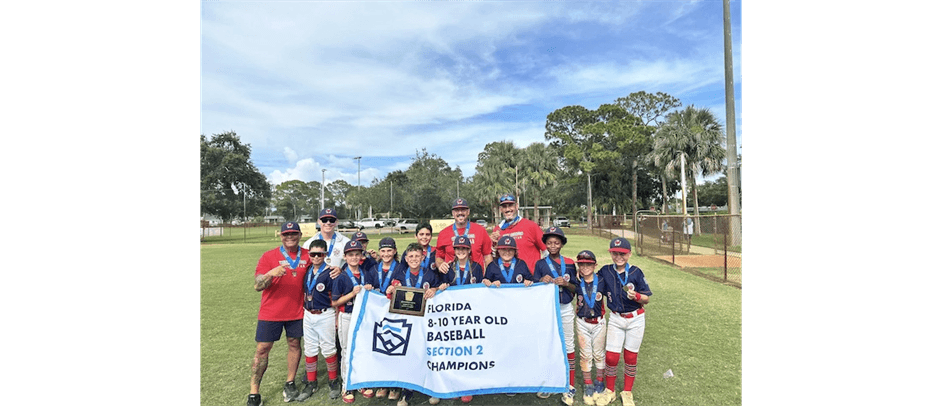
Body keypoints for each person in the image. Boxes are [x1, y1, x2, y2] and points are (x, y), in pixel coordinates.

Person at [246, 222, 309, 406]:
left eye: (294, 233)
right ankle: (254, 392)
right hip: (270, 312)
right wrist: (271, 274)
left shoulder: (307, 255)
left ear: (299, 234)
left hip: (297, 311)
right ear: (280, 236)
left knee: (295, 344)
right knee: (262, 349)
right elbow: (257, 286)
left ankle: (290, 383)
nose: (290, 236)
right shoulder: (269, 256)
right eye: (286, 234)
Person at [593, 238, 652, 406]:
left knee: (630, 357)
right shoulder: (605, 271)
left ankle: (627, 392)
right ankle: (610, 391)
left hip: (635, 318)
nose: (619, 257)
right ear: (611, 253)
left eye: (623, 254)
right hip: (616, 318)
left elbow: (647, 298)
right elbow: (593, 284)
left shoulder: (636, 272)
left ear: (629, 254)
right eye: (615, 253)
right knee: (611, 357)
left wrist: (639, 296)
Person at [386, 243, 441, 406]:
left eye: (417, 256)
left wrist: (436, 289)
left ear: (423, 257)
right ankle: (406, 390)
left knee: (426, 351)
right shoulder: (400, 272)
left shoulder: (430, 274)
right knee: (408, 353)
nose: (414, 259)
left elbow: (439, 290)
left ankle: (430, 387)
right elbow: (392, 292)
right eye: (410, 256)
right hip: (406, 321)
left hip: (425, 320)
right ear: (406, 258)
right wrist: (390, 289)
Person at [532, 227, 578, 403]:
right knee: (548, 344)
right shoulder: (540, 264)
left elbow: (576, 287)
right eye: (549, 242)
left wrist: (566, 284)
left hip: (565, 307)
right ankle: (550, 382)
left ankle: (570, 385)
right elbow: (534, 288)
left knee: (568, 345)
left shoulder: (570, 263)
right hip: (547, 309)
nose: (553, 245)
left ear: (562, 244)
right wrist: (541, 281)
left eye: (556, 242)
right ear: (545, 244)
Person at [295, 239, 342, 401]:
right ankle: (311, 382)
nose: (316, 257)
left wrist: (336, 317)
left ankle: (333, 380)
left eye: (319, 254)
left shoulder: (331, 272)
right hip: (308, 314)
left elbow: (336, 297)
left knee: (328, 349)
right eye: (313, 254)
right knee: (310, 349)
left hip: (325, 313)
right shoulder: (307, 270)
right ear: (309, 254)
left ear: (325, 254)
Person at [331, 240, 376, 404]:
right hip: (347, 315)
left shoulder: (366, 272)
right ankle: (347, 385)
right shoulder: (341, 276)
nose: (354, 257)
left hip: (363, 316)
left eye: (357, 254)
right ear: (345, 256)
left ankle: (360, 382)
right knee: (347, 351)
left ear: (361, 255)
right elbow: (335, 302)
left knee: (362, 350)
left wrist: (371, 289)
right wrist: (352, 293)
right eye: (351, 254)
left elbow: (375, 290)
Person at [572, 250, 607, 406]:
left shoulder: (601, 280)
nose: (585, 267)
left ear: (595, 265)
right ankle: (588, 384)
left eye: (589, 264)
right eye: (582, 264)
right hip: (582, 322)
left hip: (599, 322)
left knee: (599, 353)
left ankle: (599, 381)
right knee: (585, 354)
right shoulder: (575, 281)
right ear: (578, 266)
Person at [369, 237, 401, 400]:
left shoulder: (402, 268)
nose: (386, 253)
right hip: (378, 314)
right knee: (381, 348)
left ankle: (395, 385)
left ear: (394, 251)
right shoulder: (374, 269)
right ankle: (383, 383)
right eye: (383, 251)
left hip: (397, 314)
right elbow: (368, 288)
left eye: (389, 250)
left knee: (396, 348)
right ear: (379, 252)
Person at [489, 193, 547, 272]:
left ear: (516, 206)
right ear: (500, 209)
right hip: (508, 279)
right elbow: (494, 257)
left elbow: (546, 250)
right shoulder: (497, 230)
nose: (507, 209)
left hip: (530, 279)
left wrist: (543, 271)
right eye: (504, 206)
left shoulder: (531, 226)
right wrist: (491, 244)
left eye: (510, 205)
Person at [435, 197, 493, 273]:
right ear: (453, 213)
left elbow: (487, 255)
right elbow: (439, 256)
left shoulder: (480, 230)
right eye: (457, 210)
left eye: (463, 210)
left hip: (476, 278)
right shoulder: (444, 233)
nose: (460, 213)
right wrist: (440, 264)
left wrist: (488, 275)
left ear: (468, 212)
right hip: (453, 279)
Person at [303, 208, 351, 273]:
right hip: (317, 280)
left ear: (337, 222)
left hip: (339, 280)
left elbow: (353, 265)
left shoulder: (346, 242)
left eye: (332, 220)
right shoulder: (308, 243)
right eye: (324, 220)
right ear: (318, 221)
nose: (328, 223)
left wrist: (341, 271)